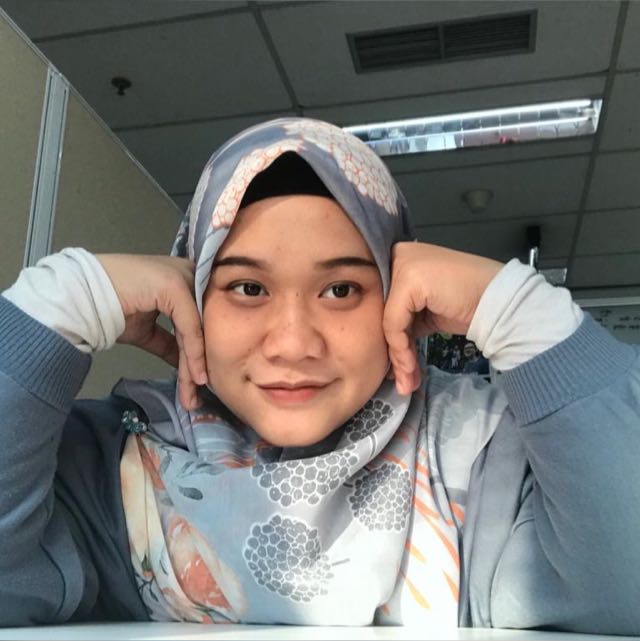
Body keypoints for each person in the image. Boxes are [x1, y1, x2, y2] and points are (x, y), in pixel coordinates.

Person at [1, 117, 639, 633]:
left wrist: (519, 313)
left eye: (341, 290)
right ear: (193, 302)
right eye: (247, 287)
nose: (293, 344)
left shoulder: (481, 452)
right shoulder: (118, 463)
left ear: (398, 296)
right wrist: (56, 306)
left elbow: (622, 582)